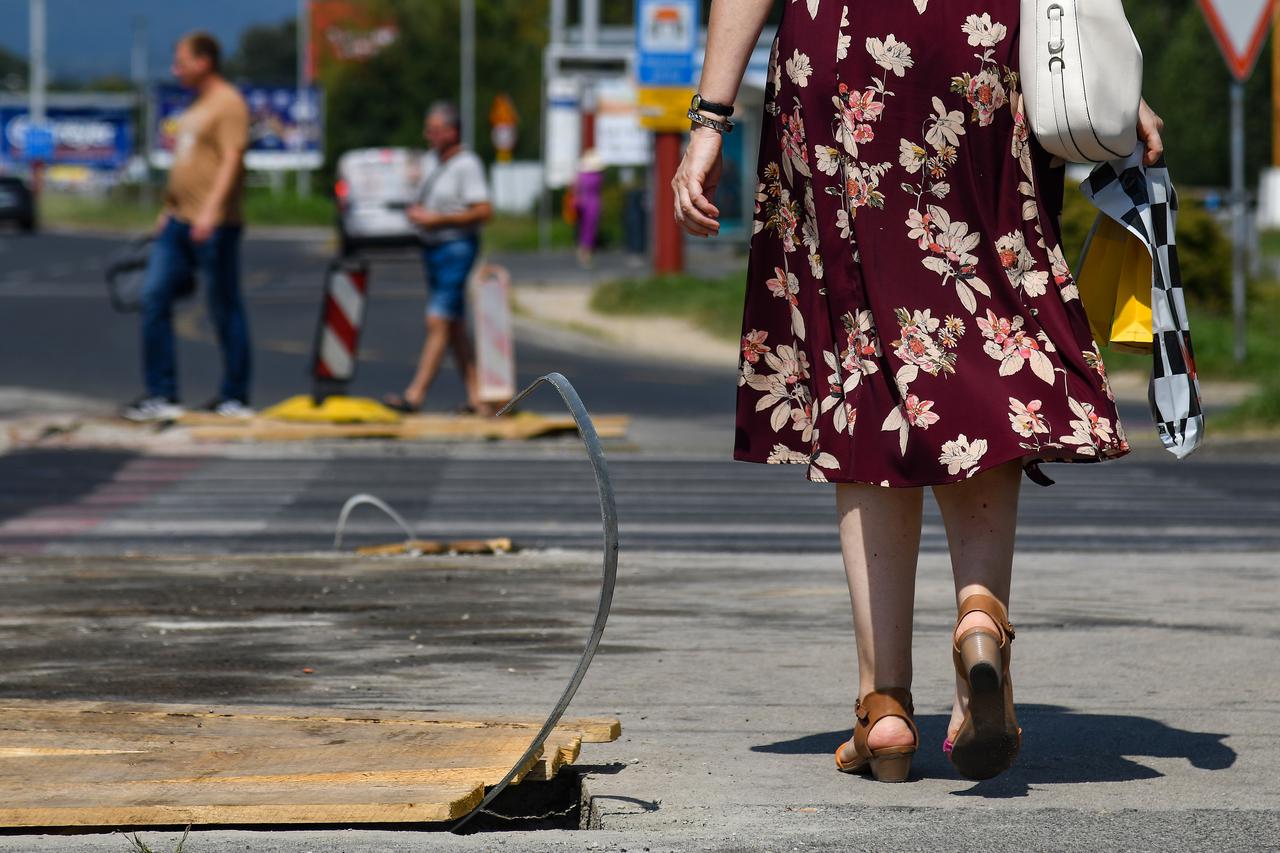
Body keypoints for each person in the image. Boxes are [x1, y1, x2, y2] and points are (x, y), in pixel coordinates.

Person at [674, 1, 1165, 782]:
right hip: (980, 48)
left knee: (860, 364)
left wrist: (709, 119)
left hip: (840, 58)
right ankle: (980, 614)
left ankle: (886, 706)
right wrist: (1110, 77)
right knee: (983, 331)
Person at [122, 31, 252, 422]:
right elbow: (189, 163)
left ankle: (235, 395)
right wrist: (168, 209)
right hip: (178, 222)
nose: (175, 69)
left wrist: (211, 211)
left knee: (224, 306)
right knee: (154, 297)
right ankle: (162, 393)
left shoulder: (228, 103)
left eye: (181, 61)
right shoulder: (196, 105)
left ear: (204, 61)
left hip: (214, 223)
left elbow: (231, 160)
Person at [383, 101, 494, 415]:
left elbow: (484, 210)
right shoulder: (432, 160)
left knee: (438, 320)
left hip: (456, 246)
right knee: (454, 326)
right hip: (433, 248)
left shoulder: (467, 164)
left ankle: (415, 394)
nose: (427, 135)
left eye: (434, 130)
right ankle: (478, 397)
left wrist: (438, 220)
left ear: (451, 131)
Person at [573, 147, 606, 268]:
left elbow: (576, 188)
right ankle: (586, 253)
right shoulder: (598, 176)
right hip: (593, 202)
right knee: (590, 229)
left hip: (584, 202)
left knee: (584, 228)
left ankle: (583, 252)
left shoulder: (581, 175)